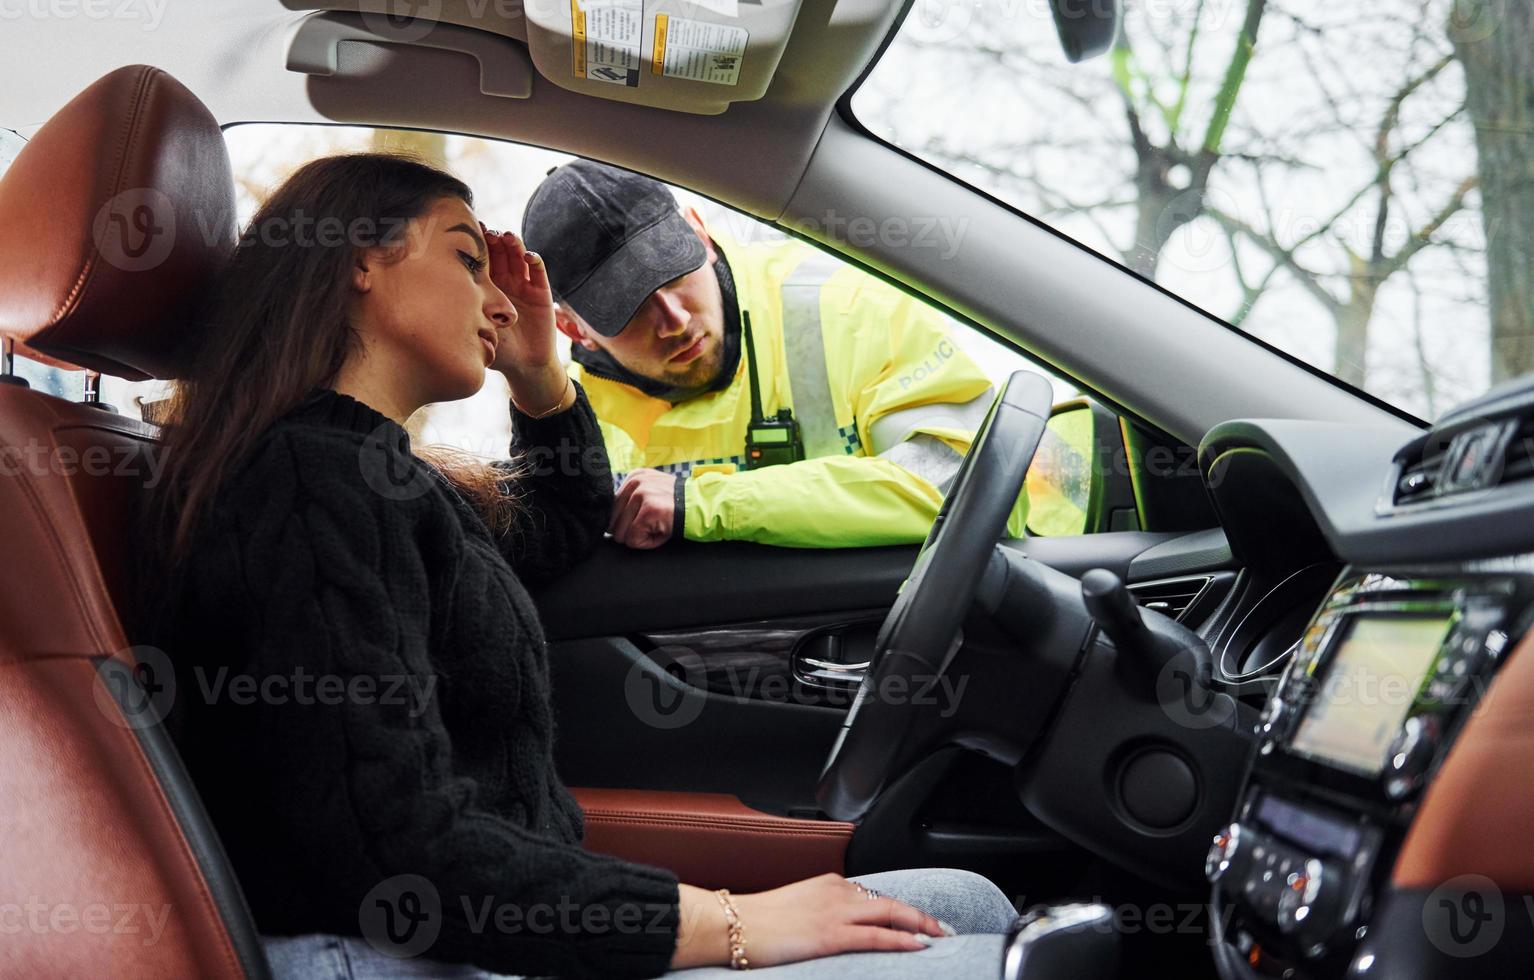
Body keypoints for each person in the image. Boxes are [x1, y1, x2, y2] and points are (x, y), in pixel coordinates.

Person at [133, 152, 1020, 979]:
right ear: (359, 261)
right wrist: (729, 924)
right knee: (974, 943)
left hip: (479, 933)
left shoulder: (381, 478)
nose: (498, 303)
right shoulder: (308, 486)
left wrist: (539, 378)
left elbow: (558, 529)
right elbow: (391, 845)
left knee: (967, 902)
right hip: (404, 957)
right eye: (467, 259)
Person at [521, 160, 1034, 550]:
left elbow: (974, 491)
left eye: (673, 272)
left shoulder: (850, 307)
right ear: (573, 327)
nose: (674, 320)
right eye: (627, 308)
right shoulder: (568, 422)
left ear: (700, 232)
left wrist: (703, 505)